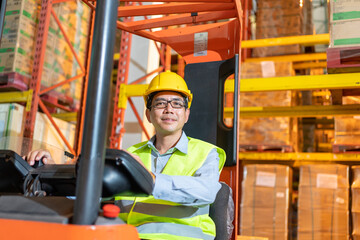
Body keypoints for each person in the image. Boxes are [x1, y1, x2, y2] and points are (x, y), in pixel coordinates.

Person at [24, 71, 226, 240]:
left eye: (176, 104)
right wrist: (52, 171)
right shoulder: (130, 155)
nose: (168, 109)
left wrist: (151, 180)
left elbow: (206, 192)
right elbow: (94, 188)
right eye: (160, 103)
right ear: (148, 115)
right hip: (127, 235)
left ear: (186, 114)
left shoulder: (206, 153)